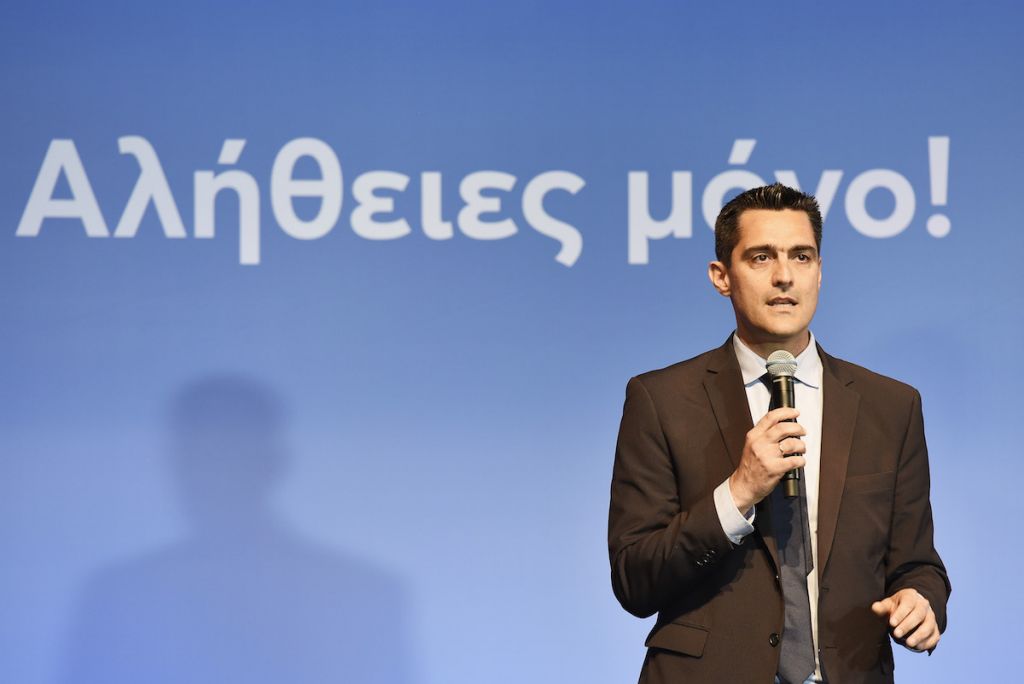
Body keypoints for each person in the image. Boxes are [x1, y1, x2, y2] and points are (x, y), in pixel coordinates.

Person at [607, 184, 949, 683]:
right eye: (761, 257)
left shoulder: (892, 406)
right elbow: (634, 579)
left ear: (819, 271)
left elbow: (918, 563)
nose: (784, 275)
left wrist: (921, 599)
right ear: (721, 276)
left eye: (801, 256)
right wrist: (737, 493)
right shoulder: (661, 401)